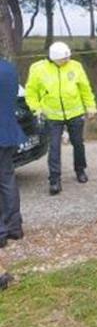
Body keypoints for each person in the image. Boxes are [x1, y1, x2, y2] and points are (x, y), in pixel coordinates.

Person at [25, 42, 97, 195]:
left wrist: (90, 106)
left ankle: (80, 170)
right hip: (52, 116)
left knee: (78, 144)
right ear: (53, 58)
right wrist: (36, 109)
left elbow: (85, 87)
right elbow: (31, 93)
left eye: (68, 56)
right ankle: (54, 180)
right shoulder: (38, 69)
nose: (67, 60)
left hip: (75, 113)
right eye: (64, 58)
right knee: (54, 148)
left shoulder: (75, 66)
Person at [0, 57, 25, 246]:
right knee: (7, 180)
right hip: (8, 131)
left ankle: (1, 232)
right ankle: (14, 227)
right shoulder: (9, 68)